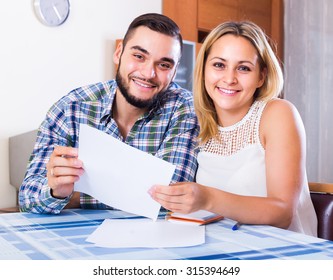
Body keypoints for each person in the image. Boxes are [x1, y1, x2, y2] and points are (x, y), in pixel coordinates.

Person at [149, 21, 317, 236]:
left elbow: (283, 213)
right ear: (204, 70)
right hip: (225, 248)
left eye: (244, 68)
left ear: (261, 77)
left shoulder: (277, 113)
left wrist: (208, 198)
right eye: (219, 65)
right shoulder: (197, 121)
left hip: (284, 252)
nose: (229, 79)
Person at [19, 13, 199, 214]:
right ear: (118, 52)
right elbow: (27, 198)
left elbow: (170, 199)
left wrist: (77, 196)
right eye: (139, 56)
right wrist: (57, 192)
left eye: (164, 65)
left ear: (174, 72)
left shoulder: (184, 109)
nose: (149, 73)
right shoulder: (71, 107)